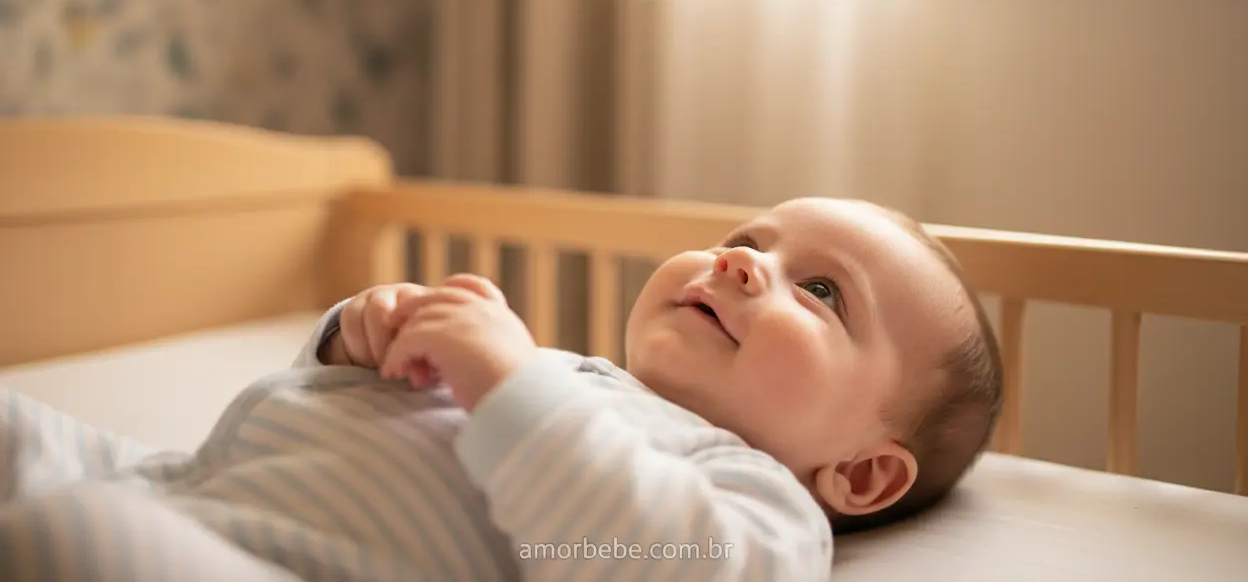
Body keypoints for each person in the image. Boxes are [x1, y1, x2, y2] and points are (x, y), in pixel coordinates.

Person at [0, 197, 1002, 581]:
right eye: (750, 240)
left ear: (862, 474)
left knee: (68, 537)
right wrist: (358, 338)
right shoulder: (570, 373)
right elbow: (316, 414)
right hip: (180, 477)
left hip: (269, 560)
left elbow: (648, 557)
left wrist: (507, 382)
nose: (742, 262)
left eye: (821, 292)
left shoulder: (762, 512)